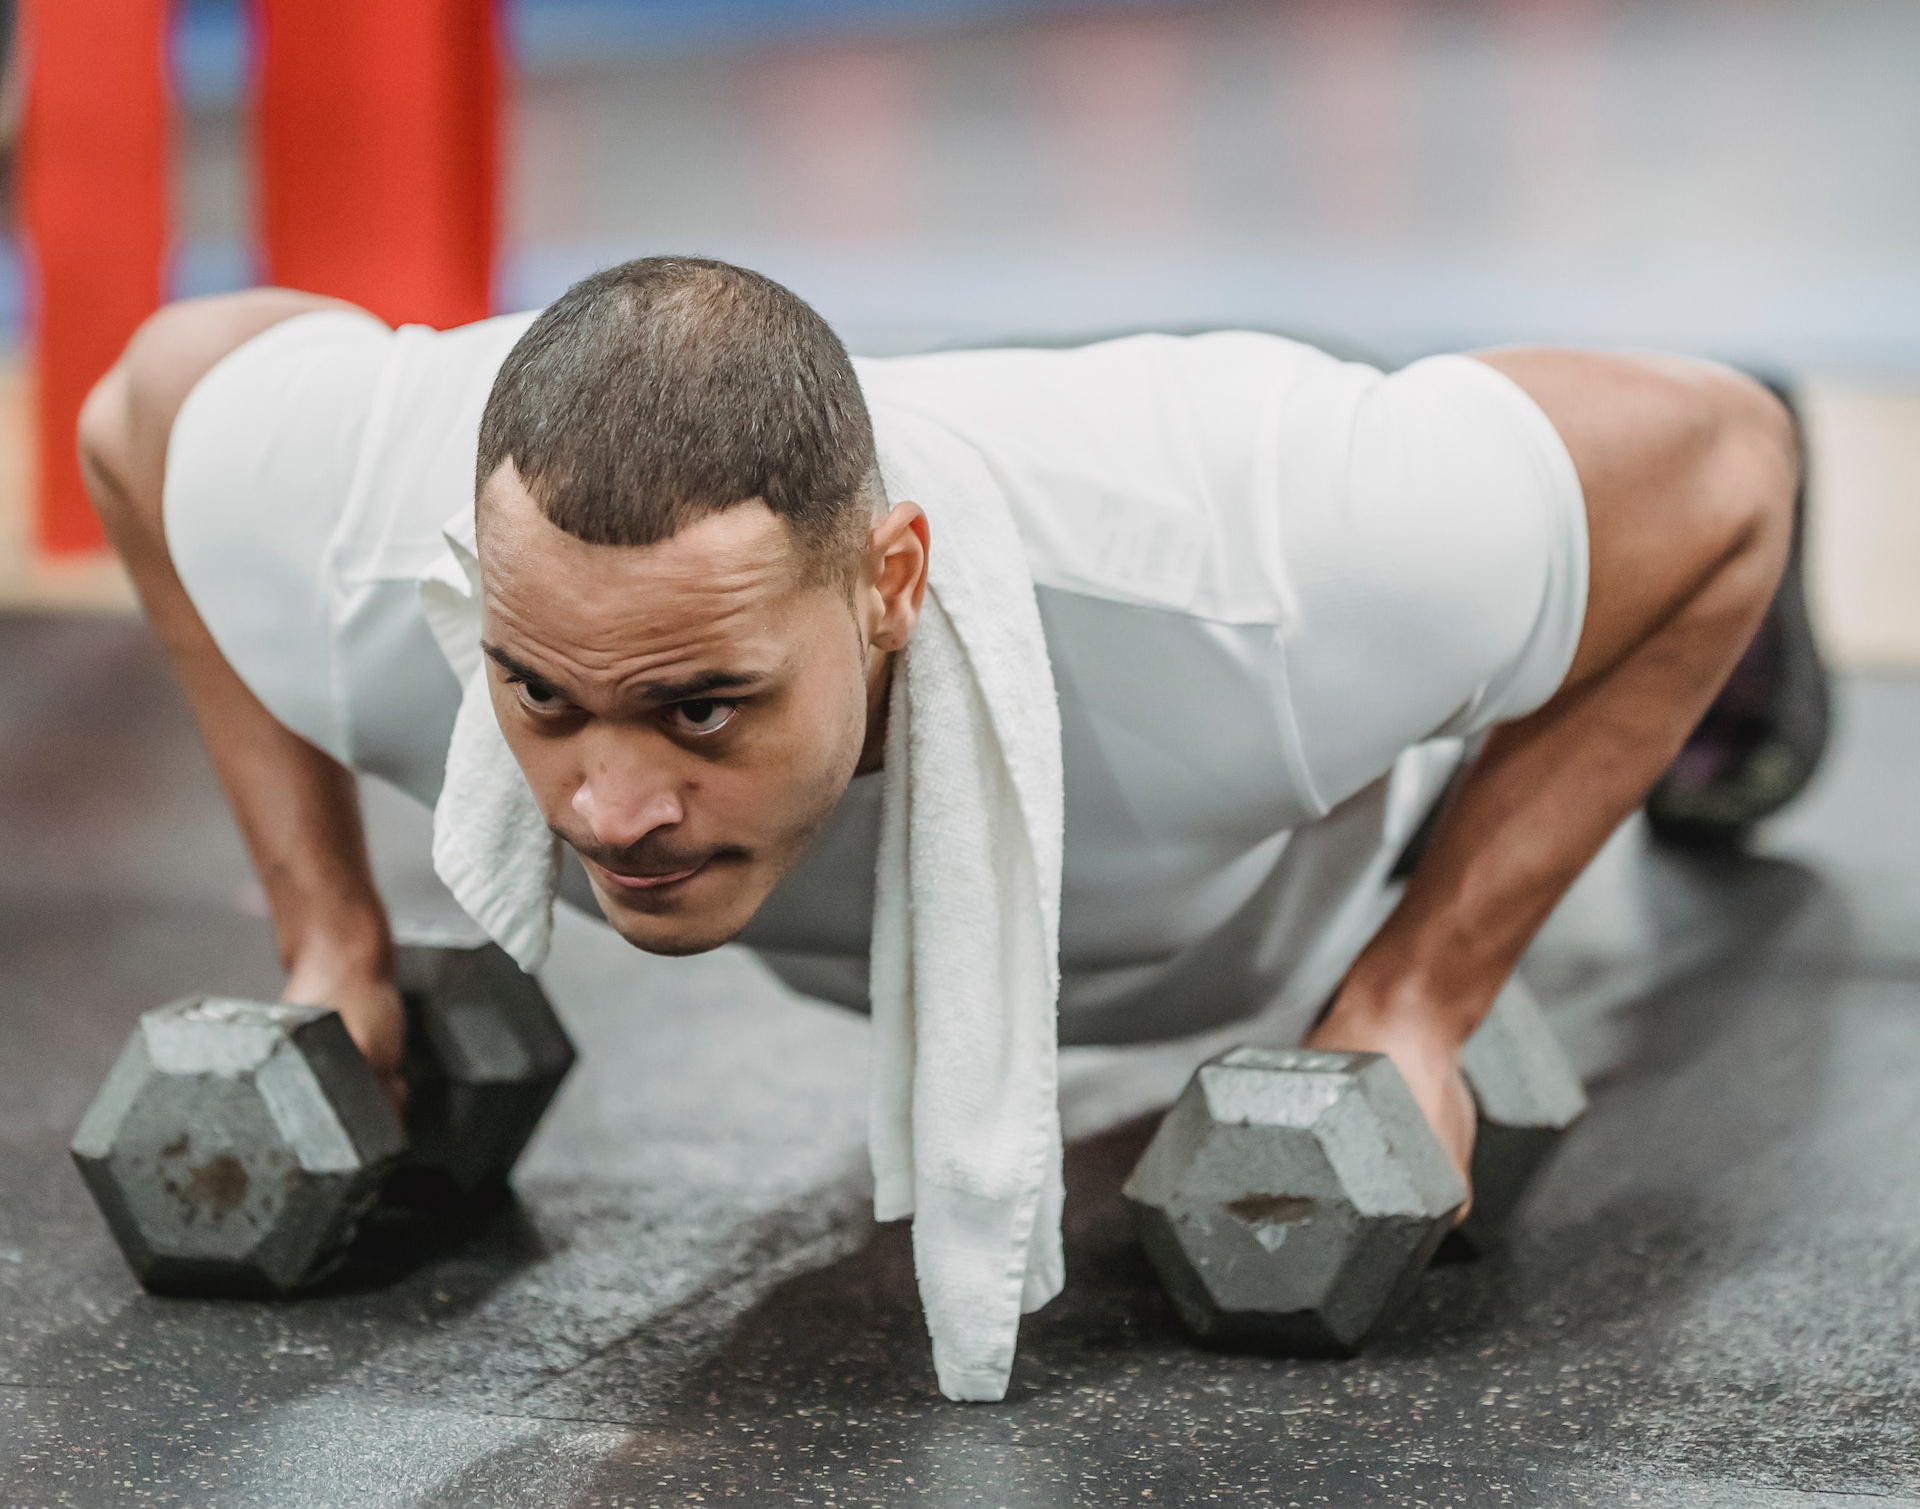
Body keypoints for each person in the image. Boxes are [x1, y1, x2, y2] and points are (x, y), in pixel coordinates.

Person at [77, 255, 1797, 1204]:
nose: (609, 809)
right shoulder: (381, 555)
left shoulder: (1275, 588)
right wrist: (329, 929)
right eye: (545, 697)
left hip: (1301, 699)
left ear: (892, 585)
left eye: (701, 708)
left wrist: (1422, 995)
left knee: (1598, 549)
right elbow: (153, 403)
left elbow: (1722, 462)